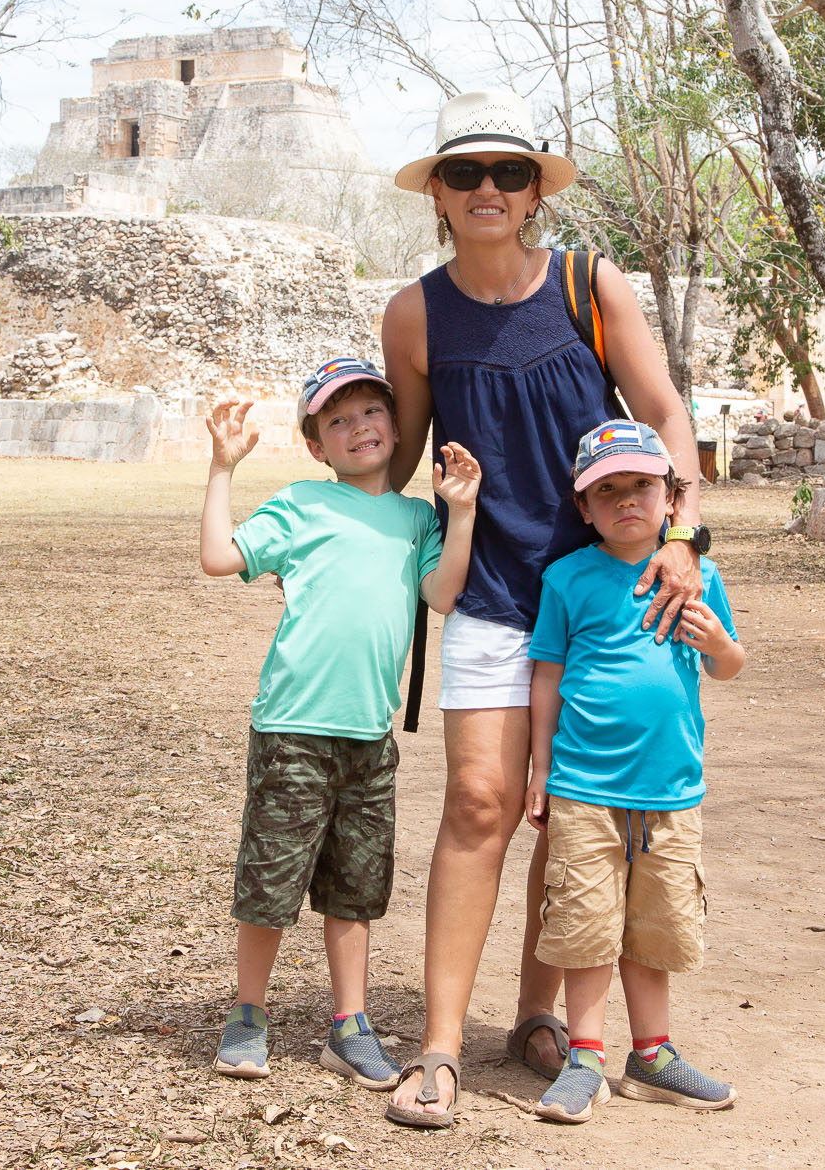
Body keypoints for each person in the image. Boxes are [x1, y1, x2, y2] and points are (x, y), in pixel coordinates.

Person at [380, 91, 706, 1128]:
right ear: (437, 194)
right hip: (487, 590)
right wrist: (322, 526)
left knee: (570, 812)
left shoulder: (585, 283)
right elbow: (393, 460)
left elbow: (665, 414)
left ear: (534, 194)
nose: (488, 189)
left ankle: (534, 1017)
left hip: (598, 595)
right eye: (465, 173)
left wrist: (683, 538)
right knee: (480, 803)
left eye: (509, 172)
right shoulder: (414, 315)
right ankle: (438, 1046)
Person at [198, 358, 483, 1089]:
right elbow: (219, 557)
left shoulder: (417, 519)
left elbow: (444, 595)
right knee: (271, 881)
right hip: (292, 727)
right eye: (338, 420)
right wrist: (223, 468)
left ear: (397, 425)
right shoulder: (301, 504)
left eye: (371, 411)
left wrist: (462, 512)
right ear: (316, 445)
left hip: (369, 736)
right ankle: (248, 1014)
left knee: (355, 890)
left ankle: (349, 1025)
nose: (359, 428)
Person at [523, 420, 745, 1124]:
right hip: (584, 788)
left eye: (641, 486)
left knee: (656, 928)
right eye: (607, 490)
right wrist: (539, 769)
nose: (625, 501)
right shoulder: (567, 579)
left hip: (671, 792)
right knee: (586, 925)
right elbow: (546, 677)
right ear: (583, 507)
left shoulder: (699, 574)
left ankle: (651, 1055)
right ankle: (585, 1057)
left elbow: (729, 664)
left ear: (671, 498)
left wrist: (719, 643)